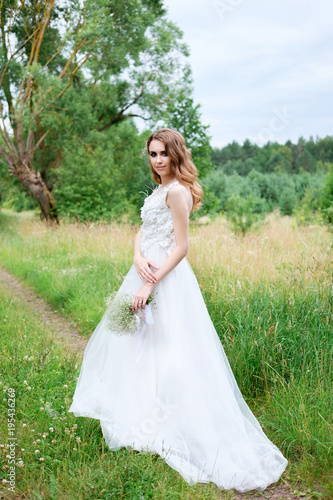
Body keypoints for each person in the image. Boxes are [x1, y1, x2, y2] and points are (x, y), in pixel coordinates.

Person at [68, 128, 288, 493]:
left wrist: (150, 284)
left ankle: (177, 424)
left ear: (175, 156)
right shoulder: (157, 190)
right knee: (139, 350)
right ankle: (142, 422)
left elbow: (182, 246)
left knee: (171, 350)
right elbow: (143, 231)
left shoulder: (178, 192)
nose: (157, 161)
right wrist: (137, 256)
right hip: (144, 270)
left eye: (163, 155)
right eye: (152, 154)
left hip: (166, 280)